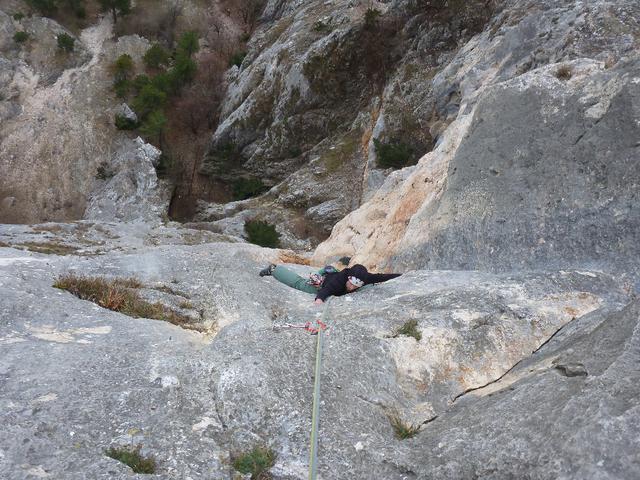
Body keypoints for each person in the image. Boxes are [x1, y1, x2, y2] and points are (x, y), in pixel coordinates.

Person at [259, 263, 401, 304]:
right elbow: (326, 291)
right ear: (348, 278)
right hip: (326, 282)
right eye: (351, 284)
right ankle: (274, 269)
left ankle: (328, 269)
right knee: (300, 284)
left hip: (333, 273)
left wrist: (401, 276)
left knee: (371, 285)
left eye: (356, 286)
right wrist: (319, 300)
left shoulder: (364, 278)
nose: (352, 287)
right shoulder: (338, 281)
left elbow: (381, 277)